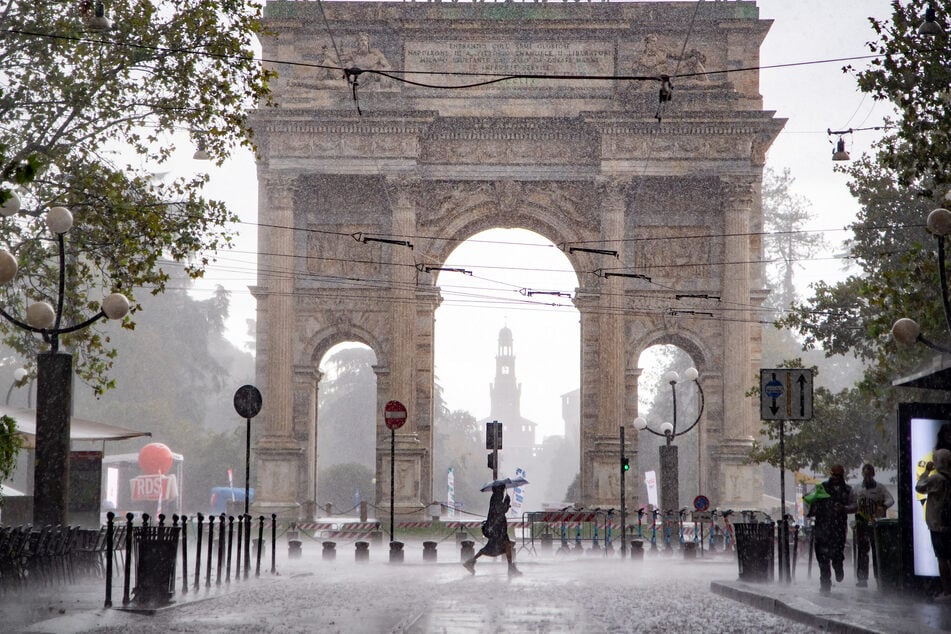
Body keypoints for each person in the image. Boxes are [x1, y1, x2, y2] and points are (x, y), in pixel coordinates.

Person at [806, 464, 857, 593]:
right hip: (822, 527)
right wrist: (813, 509)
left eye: (838, 475)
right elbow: (809, 500)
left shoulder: (847, 490)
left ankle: (838, 565)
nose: (835, 477)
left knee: (837, 552)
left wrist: (844, 508)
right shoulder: (822, 487)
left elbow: (855, 505)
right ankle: (825, 582)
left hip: (838, 528)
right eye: (833, 474)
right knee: (822, 556)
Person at [916, 448, 951, 601]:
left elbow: (920, 487)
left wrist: (926, 471)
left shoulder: (936, 479)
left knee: (942, 558)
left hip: (938, 524)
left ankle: (947, 590)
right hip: (948, 523)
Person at [463, 484, 521, 576]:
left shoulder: (495, 497)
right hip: (498, 529)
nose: (503, 490)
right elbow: (501, 510)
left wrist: (505, 503)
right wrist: (507, 502)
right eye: (502, 489)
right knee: (497, 547)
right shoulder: (497, 497)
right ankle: (510, 568)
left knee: (502, 546)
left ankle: (470, 562)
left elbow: (500, 510)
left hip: (498, 528)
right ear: (499, 489)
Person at [853, 463, 895, 587]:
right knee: (862, 550)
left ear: (873, 474)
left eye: (869, 474)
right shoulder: (857, 489)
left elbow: (890, 499)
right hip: (861, 522)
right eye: (865, 474)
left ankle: (879, 576)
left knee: (877, 550)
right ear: (862, 474)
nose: (867, 477)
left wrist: (883, 506)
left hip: (876, 524)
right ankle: (862, 578)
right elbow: (852, 503)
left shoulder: (880, 488)